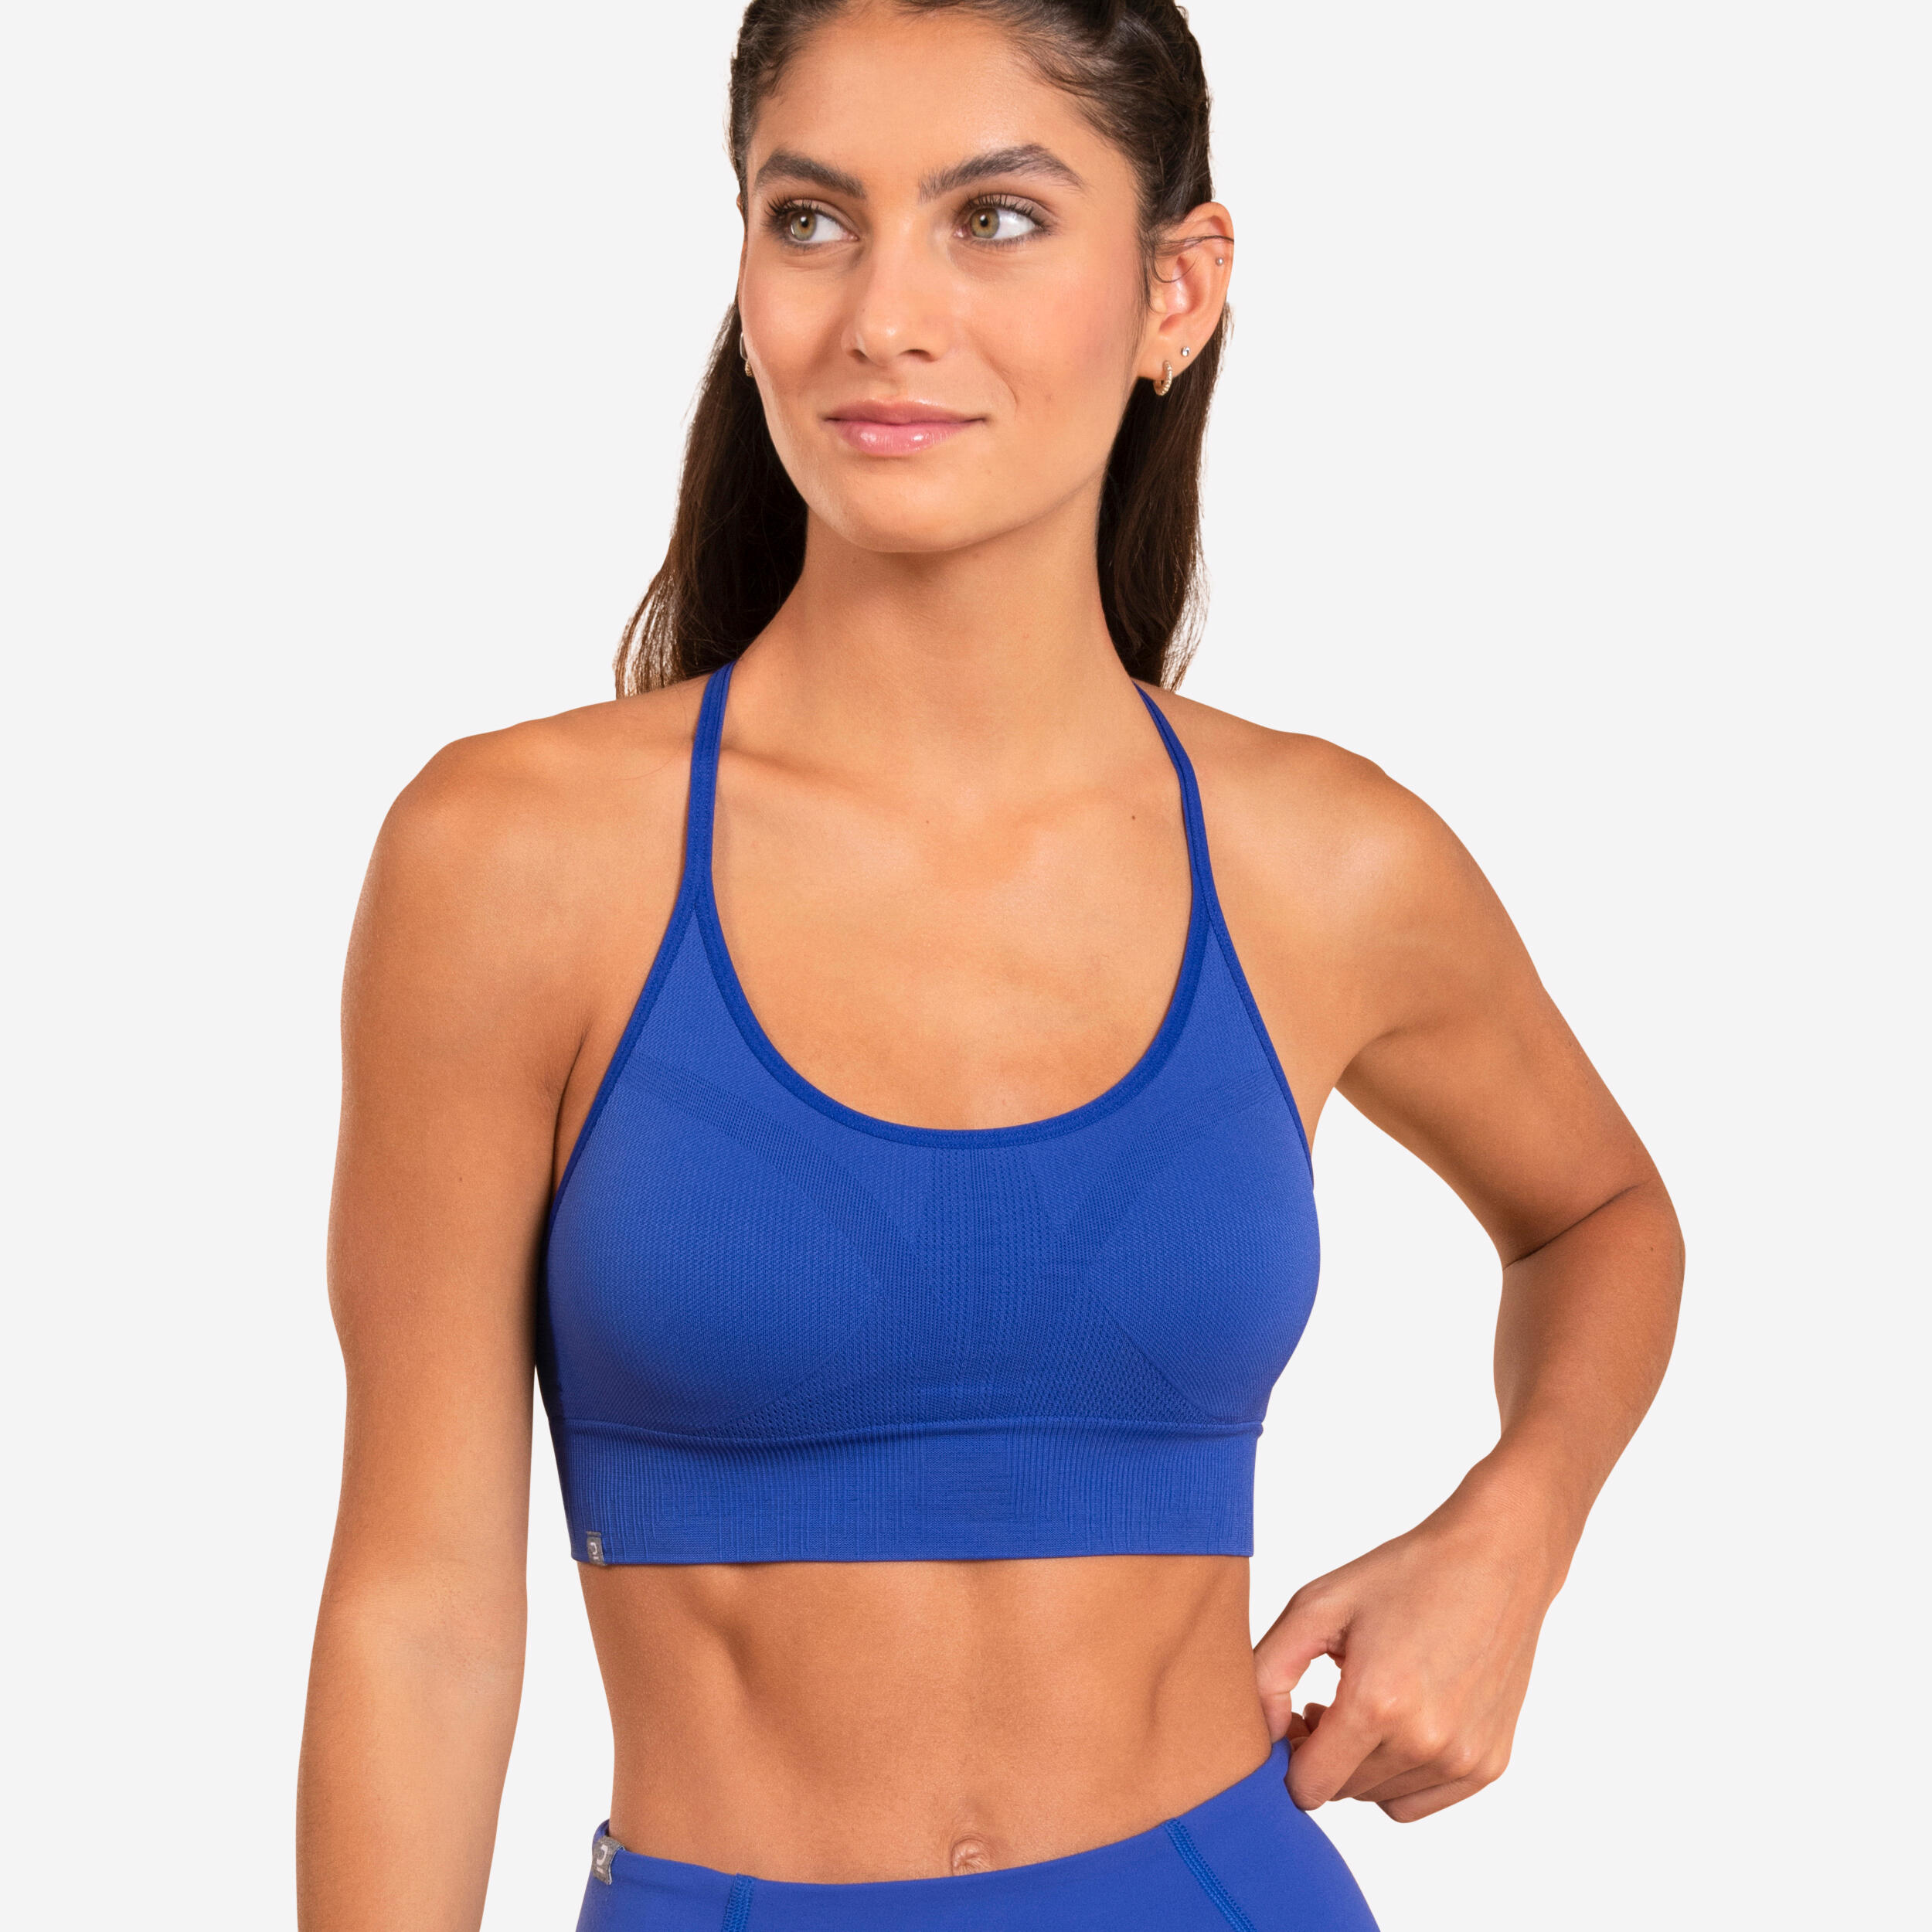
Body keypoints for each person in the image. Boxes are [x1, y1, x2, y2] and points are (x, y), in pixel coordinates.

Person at [296, 3, 1683, 1927]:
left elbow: (1599, 1213)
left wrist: (1510, 1530)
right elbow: (421, 1610)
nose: (883, 314)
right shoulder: (513, 861)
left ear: (1175, 290)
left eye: (995, 219)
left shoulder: (1320, 859)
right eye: (810, 219)